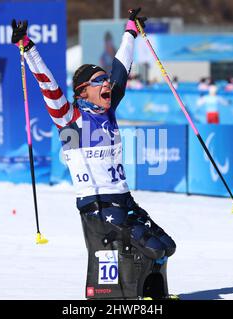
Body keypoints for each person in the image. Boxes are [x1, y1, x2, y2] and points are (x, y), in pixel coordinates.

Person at [11, 8, 176, 300]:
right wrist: (28, 48)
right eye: (99, 81)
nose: (106, 85)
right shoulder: (70, 118)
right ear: (83, 91)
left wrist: (130, 30)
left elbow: (121, 68)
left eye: (105, 81)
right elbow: (48, 84)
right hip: (97, 204)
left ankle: (153, 295)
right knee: (147, 246)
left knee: (165, 246)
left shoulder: (108, 109)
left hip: (123, 198)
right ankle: (127, 297)